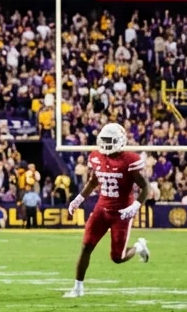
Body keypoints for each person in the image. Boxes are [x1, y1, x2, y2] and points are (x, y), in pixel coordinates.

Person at [63, 123, 152, 299]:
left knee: (117, 258)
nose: (106, 144)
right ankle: (78, 288)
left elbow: (145, 187)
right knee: (86, 247)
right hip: (101, 210)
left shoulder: (129, 160)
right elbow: (93, 181)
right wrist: (79, 199)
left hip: (121, 213)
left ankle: (139, 246)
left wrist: (134, 207)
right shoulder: (96, 157)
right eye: (104, 140)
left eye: (110, 140)